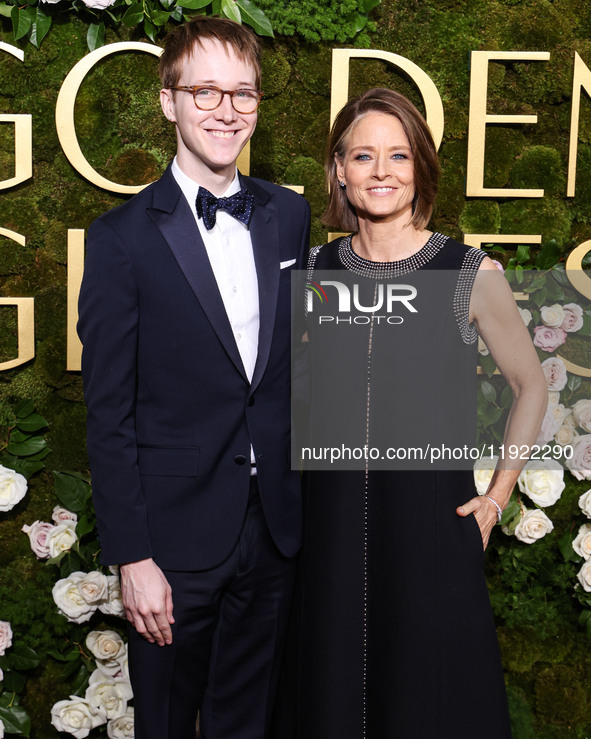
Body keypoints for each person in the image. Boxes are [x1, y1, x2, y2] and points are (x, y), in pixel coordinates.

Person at [286, 88, 547, 738]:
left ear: (421, 168)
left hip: (431, 527)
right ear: (339, 169)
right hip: (327, 528)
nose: (381, 171)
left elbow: (530, 383)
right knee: (329, 696)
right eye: (363, 155)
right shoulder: (315, 268)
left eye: (398, 155)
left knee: (429, 702)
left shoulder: (466, 271)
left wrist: (497, 495)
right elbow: (284, 390)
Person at [77, 16, 310, 739]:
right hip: (172, 544)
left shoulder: (290, 215)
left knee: (252, 723)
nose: (226, 109)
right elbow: (107, 413)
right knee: (169, 725)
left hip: (273, 530)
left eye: (242, 93)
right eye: (205, 90)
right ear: (168, 101)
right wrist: (132, 556)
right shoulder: (120, 240)